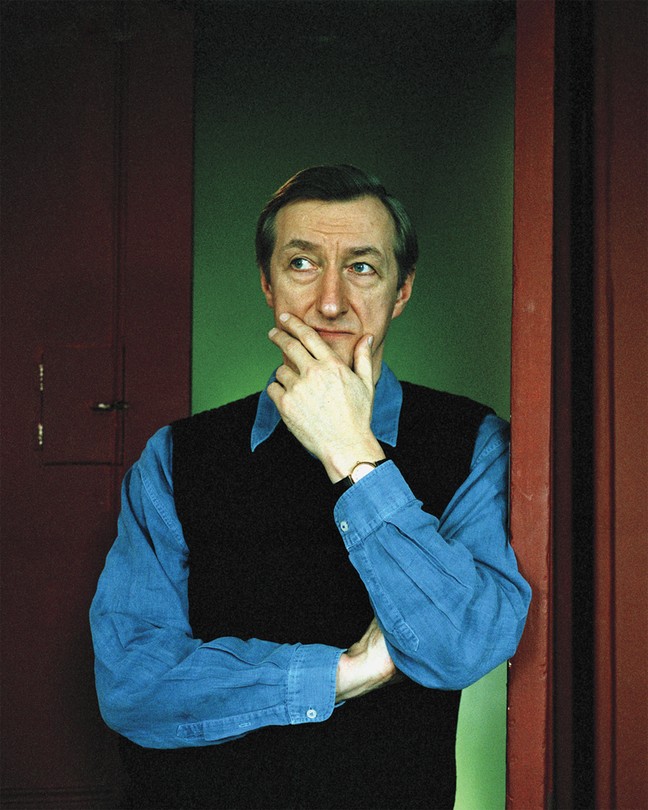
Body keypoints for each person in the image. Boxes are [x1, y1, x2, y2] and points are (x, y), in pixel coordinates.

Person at [90, 164, 531, 810]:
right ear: (268, 285)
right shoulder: (175, 457)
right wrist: (344, 675)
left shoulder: (476, 444)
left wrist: (351, 451)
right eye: (302, 265)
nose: (329, 301)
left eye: (362, 268)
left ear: (401, 290)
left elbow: (462, 646)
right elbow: (130, 681)